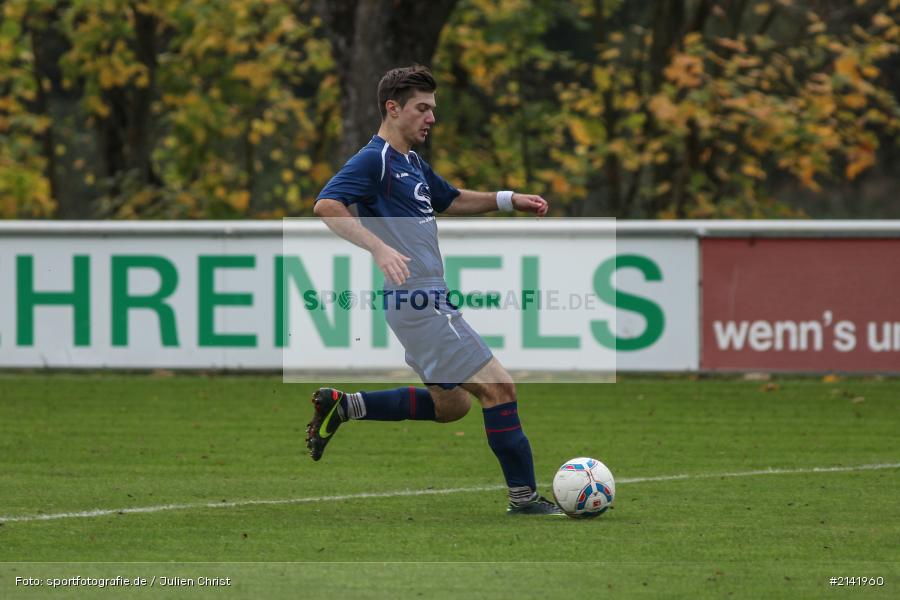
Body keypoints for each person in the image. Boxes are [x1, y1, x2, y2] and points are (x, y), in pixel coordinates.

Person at [306, 65, 561, 515]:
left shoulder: (411, 163)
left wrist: (508, 199)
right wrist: (378, 247)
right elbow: (326, 204)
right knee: (499, 387)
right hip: (419, 299)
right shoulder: (375, 160)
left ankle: (345, 406)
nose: (431, 118)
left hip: (420, 301)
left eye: (432, 109)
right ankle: (524, 498)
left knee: (452, 406)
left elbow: (452, 199)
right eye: (422, 108)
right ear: (393, 108)